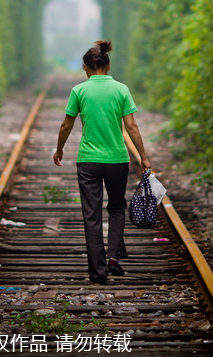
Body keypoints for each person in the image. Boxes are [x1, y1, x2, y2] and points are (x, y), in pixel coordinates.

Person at [53, 39, 151, 284]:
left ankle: (97, 272)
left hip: (88, 161)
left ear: (87, 67)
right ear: (107, 66)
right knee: (117, 208)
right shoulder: (121, 89)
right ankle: (114, 257)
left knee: (92, 215)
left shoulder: (80, 91)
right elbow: (131, 125)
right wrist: (142, 156)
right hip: (117, 160)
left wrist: (59, 149)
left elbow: (67, 124)